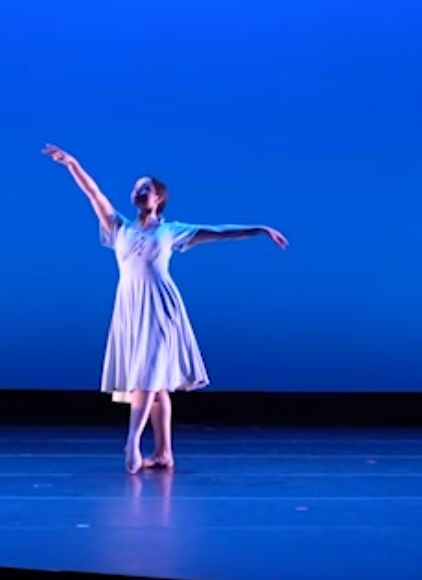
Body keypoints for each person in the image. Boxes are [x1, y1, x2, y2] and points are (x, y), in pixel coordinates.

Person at [43, 146, 288, 473]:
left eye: (145, 187)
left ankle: (132, 441)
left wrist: (258, 229)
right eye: (135, 187)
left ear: (158, 198)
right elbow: (93, 193)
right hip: (131, 307)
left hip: (161, 307)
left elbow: (217, 232)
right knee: (155, 383)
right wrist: (72, 164)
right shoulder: (118, 227)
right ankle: (163, 453)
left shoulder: (169, 231)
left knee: (147, 373)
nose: (138, 191)